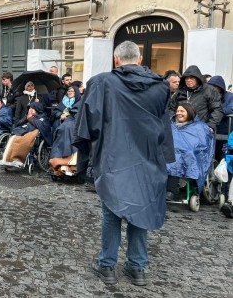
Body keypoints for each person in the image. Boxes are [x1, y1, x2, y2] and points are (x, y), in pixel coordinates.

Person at [73, 41, 174, 286]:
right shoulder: (161, 87)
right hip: (147, 158)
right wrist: (166, 160)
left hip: (113, 157)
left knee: (112, 213)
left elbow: (87, 126)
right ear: (139, 60)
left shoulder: (101, 83)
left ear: (116, 60)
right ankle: (137, 267)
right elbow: (164, 126)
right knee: (142, 211)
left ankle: (107, 265)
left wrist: (84, 162)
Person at [166, 103, 214, 201]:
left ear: (190, 112)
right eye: (177, 111)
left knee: (177, 159)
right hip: (169, 152)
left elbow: (203, 145)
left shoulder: (200, 127)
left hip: (188, 155)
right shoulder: (170, 125)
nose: (178, 113)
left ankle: (171, 191)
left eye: (182, 111)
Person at [168, 65, 223, 132]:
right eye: (186, 78)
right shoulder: (179, 92)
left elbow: (217, 109)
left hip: (201, 129)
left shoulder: (209, 90)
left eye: (192, 78)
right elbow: (171, 108)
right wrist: (173, 123)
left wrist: (210, 126)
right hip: (180, 128)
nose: (188, 80)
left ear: (198, 78)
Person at [0, 102, 52, 168]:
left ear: (37, 109)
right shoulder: (28, 115)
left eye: (32, 108)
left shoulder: (43, 117)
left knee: (22, 140)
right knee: (13, 137)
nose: (30, 110)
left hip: (34, 135)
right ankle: (7, 159)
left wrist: (30, 119)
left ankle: (17, 159)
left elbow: (43, 127)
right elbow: (19, 124)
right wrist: (26, 118)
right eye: (30, 108)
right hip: (25, 131)